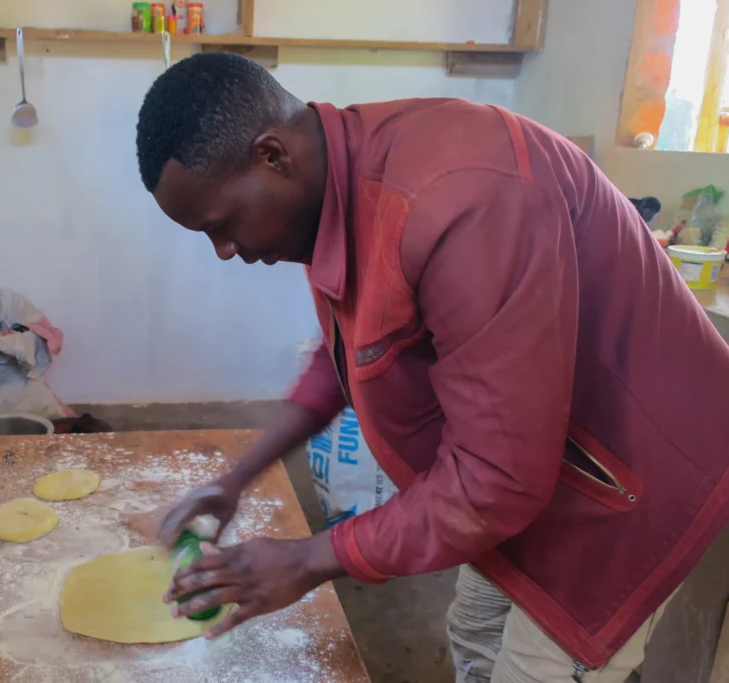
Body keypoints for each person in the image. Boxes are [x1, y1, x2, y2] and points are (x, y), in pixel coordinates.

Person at [134, 52, 729, 683]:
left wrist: (312, 559)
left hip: (634, 475)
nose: (225, 252)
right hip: (544, 459)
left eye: (221, 226)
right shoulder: (335, 187)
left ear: (274, 157)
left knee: (552, 664)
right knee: (475, 633)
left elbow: (497, 477)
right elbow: (348, 355)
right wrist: (239, 476)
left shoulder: (459, 200)